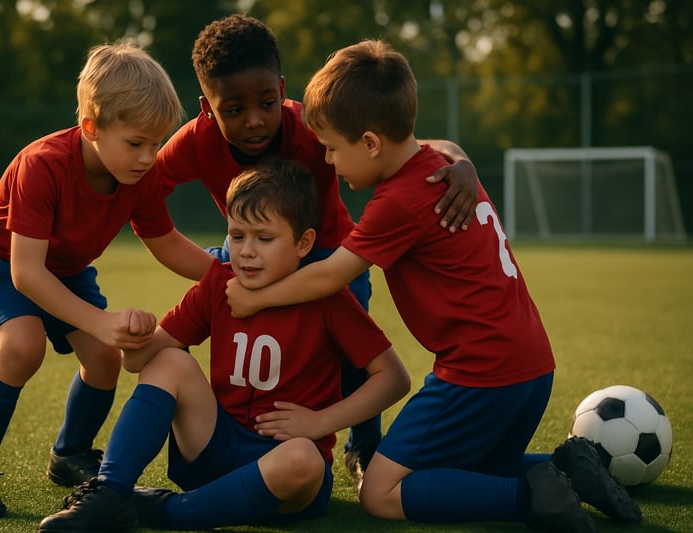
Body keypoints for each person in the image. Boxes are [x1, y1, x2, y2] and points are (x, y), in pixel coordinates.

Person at [225, 40, 642, 531]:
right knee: (463, 472)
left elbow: (332, 273)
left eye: (333, 149)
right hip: (530, 366)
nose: (331, 163)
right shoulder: (443, 168)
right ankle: (565, 468)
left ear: (372, 143)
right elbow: (444, 145)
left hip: (478, 373)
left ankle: (530, 497)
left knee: (380, 493)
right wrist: (463, 158)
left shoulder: (401, 199)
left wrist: (256, 296)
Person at [156, 13, 478, 486]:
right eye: (234, 109)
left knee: (351, 350)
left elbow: (412, 143)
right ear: (207, 107)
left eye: (267, 102)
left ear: (282, 87)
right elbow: (144, 189)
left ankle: (364, 446)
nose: (254, 120)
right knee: (222, 321)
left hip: (328, 253)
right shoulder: (194, 142)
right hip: (248, 252)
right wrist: (204, 266)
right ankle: (230, 435)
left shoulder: (309, 124)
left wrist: (462, 160)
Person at [37, 157, 411, 531]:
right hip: (216, 447)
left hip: (283, 469)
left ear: (303, 243)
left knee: (304, 460)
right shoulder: (219, 281)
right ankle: (111, 492)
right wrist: (136, 333)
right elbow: (140, 362)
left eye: (264, 238)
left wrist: (321, 422)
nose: (246, 251)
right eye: (236, 236)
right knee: (170, 361)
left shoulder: (328, 298)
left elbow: (393, 378)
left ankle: (171, 511)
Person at [0, 41, 216, 519]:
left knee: (105, 357)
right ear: (91, 127)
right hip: (5, 258)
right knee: (23, 347)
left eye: (157, 143)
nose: (149, 157)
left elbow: (167, 243)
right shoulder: (43, 163)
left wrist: (231, 275)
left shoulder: (140, 177)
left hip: (66, 268)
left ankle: (70, 454)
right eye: (136, 143)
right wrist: (100, 320)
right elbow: (26, 273)